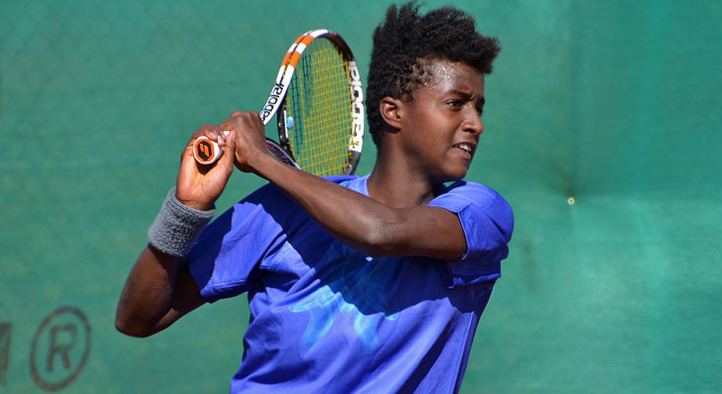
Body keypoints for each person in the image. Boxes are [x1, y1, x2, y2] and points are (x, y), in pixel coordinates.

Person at [116, 2, 514, 393]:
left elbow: (379, 231)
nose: (475, 123)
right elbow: (138, 318)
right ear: (393, 111)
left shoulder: (479, 214)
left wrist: (262, 160)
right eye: (455, 104)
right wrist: (188, 209)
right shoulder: (278, 211)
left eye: (479, 107)